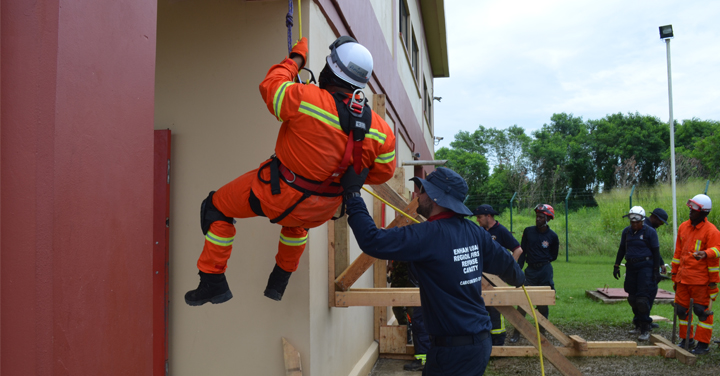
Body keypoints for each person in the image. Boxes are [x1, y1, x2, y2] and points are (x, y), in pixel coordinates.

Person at [185, 36, 396, 305]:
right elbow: (382, 173)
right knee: (297, 225)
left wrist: (296, 58)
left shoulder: (304, 98)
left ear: (330, 71)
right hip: (322, 209)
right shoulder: (381, 130)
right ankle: (279, 281)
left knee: (215, 207)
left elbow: (270, 87)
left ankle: (212, 279)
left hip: (276, 194)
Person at [341, 166, 525, 376]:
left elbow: (372, 240)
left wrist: (353, 194)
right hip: (477, 343)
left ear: (437, 198)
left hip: (454, 352)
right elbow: (508, 265)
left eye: (423, 191)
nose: (417, 195)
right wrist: (519, 278)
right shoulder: (475, 232)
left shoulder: (428, 235)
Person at [671, 194, 720, 355]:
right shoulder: (683, 227)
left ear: (704, 212)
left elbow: (717, 249)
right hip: (683, 279)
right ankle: (687, 339)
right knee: (681, 310)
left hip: (700, 281)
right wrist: (674, 274)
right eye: (690, 209)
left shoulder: (711, 231)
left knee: (701, 311)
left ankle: (703, 344)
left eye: (694, 210)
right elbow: (678, 253)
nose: (690, 212)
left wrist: (706, 253)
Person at [473, 204, 524, 346]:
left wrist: (507, 267)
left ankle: (498, 340)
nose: (477, 220)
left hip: (496, 278)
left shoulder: (500, 231)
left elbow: (518, 250)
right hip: (481, 278)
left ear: (488, 216)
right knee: (482, 307)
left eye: (479, 217)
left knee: (496, 308)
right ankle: (485, 339)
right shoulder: (479, 231)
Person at [510, 204, 559, 343]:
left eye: (541, 217)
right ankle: (516, 333)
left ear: (548, 218)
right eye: (537, 216)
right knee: (523, 302)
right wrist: (517, 270)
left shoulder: (552, 236)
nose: (538, 219)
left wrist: (542, 262)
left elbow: (553, 255)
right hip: (530, 272)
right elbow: (522, 252)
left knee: (543, 304)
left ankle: (542, 334)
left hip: (544, 272)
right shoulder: (528, 232)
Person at [612, 206, 661, 341]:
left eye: (637, 222)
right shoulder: (626, 232)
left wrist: (656, 271)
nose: (634, 225)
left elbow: (656, 252)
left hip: (645, 267)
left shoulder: (650, 232)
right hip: (631, 267)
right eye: (632, 222)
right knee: (632, 299)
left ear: (642, 221)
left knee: (642, 300)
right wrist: (616, 265)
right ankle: (638, 324)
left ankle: (645, 328)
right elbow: (622, 249)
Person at [389, 260, 431, 371]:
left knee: (419, 320)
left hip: (417, 284)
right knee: (416, 319)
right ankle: (423, 356)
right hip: (412, 280)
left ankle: (423, 359)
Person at [644, 207, 669, 329]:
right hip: (647, 267)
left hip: (648, 265)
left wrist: (661, 263)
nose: (661, 224)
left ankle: (644, 320)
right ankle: (643, 322)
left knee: (645, 295)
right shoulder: (648, 229)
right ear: (655, 218)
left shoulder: (647, 227)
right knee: (648, 293)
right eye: (661, 222)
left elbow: (655, 251)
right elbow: (654, 250)